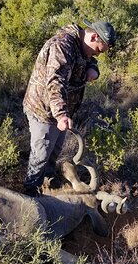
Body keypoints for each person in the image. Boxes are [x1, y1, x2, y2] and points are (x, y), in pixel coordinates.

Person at [23, 19, 116, 196]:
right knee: (41, 153)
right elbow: (54, 82)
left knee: (54, 151)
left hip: (59, 113)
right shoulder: (62, 46)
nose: (97, 55)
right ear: (94, 36)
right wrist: (61, 115)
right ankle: (30, 196)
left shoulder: (82, 44)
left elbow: (88, 58)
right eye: (98, 50)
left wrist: (93, 68)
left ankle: (48, 185)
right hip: (43, 111)